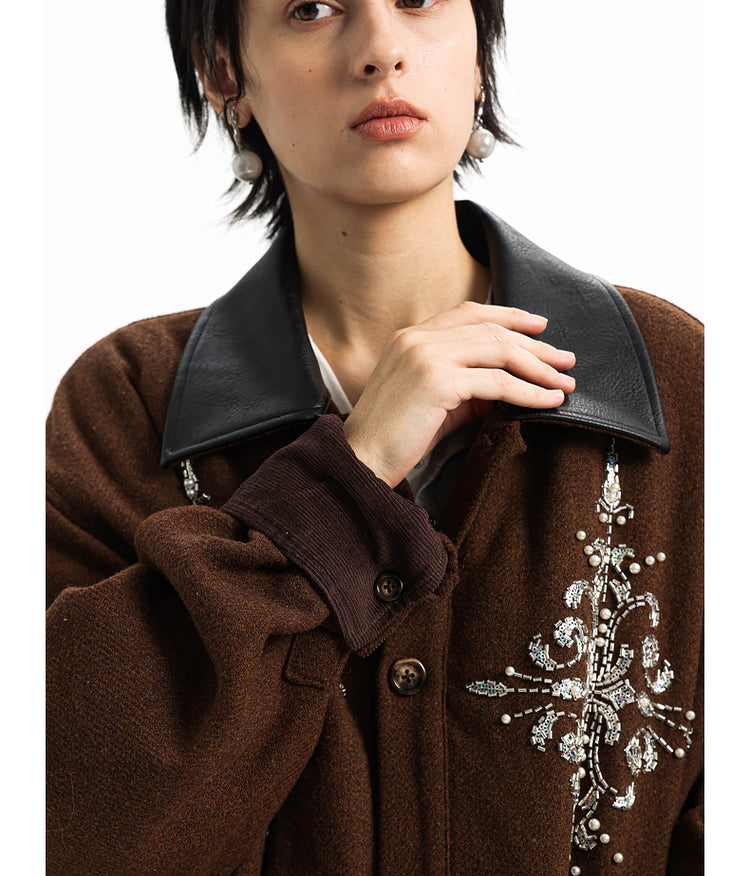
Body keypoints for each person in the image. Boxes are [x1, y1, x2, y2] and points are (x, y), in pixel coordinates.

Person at [46, 0, 703, 873]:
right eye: (312, 8)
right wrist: (348, 476)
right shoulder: (130, 406)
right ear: (224, 72)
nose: (382, 50)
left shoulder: (677, 382)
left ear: (480, 50)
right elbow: (72, 825)